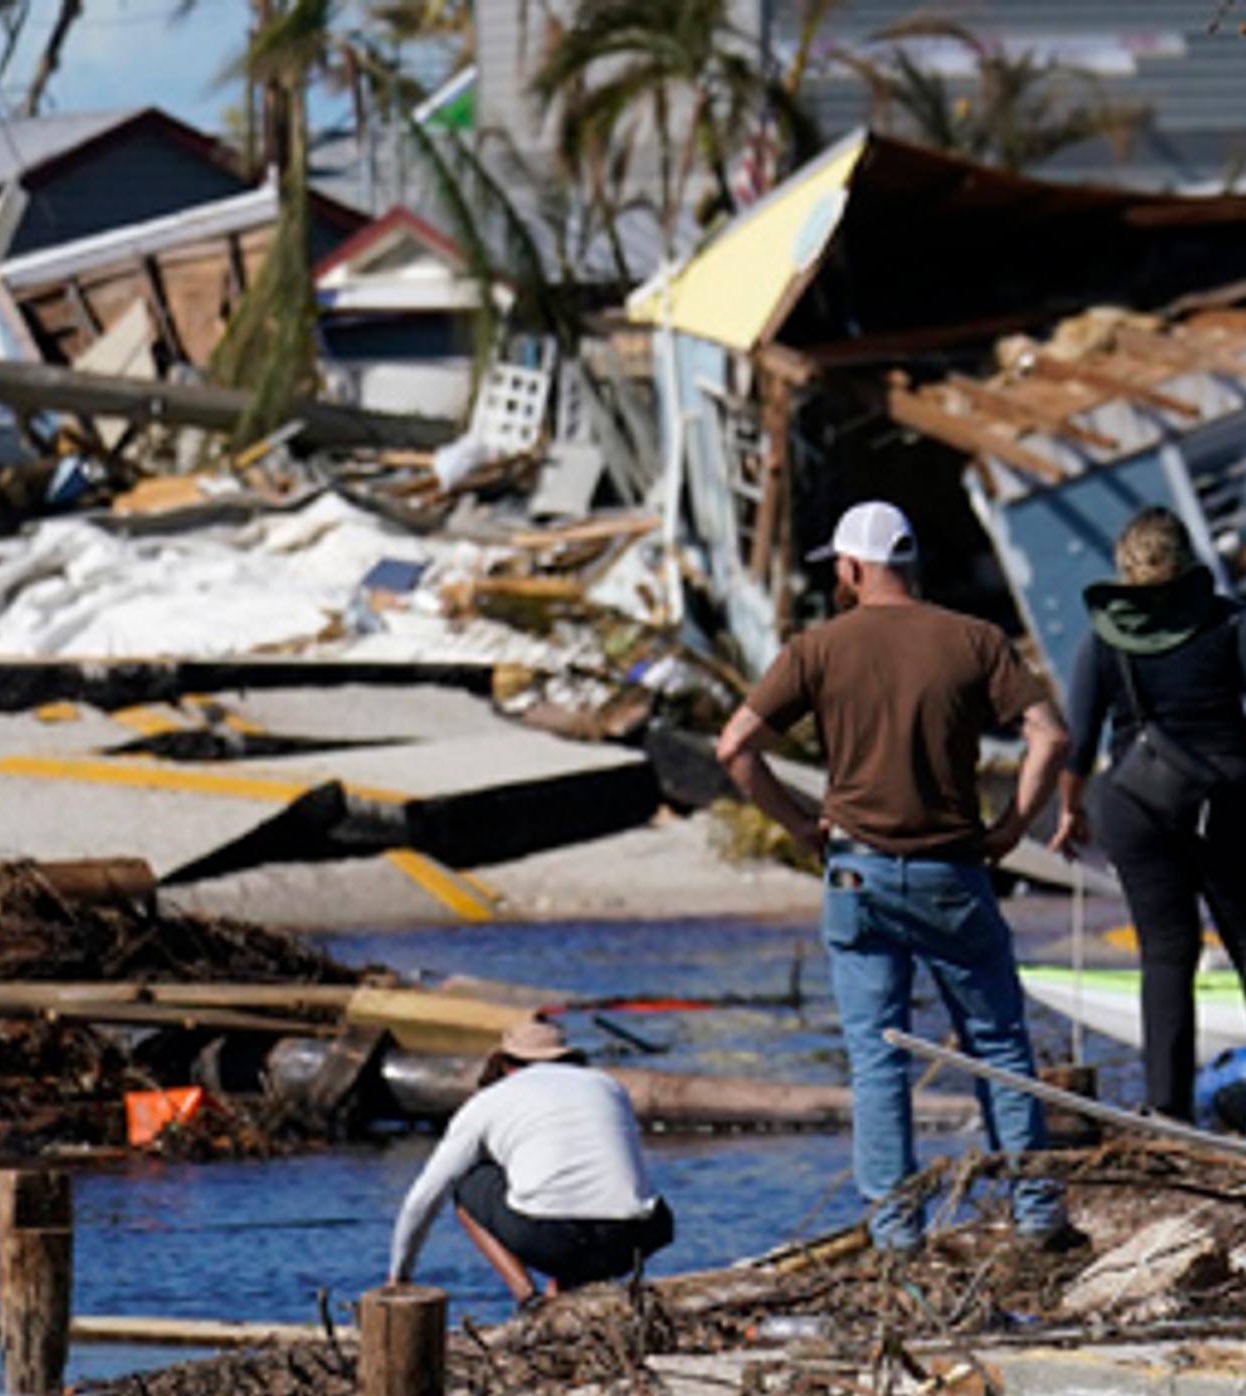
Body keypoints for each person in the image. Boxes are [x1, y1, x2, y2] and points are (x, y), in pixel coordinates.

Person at [717, 500, 1079, 1251]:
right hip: (953, 868)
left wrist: (799, 824)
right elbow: (1049, 736)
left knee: (877, 1056)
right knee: (999, 1042)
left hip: (856, 874)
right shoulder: (974, 639)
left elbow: (735, 749)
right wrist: (1013, 826)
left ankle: (894, 1232)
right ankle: (1037, 1212)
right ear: (910, 565)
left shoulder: (815, 648)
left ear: (850, 569)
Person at [1049, 507, 1246, 1120]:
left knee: (1165, 956)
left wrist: (1069, 810)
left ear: (1125, 571)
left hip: (1134, 806)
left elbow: (1077, 744)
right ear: (1185, 562)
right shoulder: (1233, 622)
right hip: (1227, 800)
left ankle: (1167, 1112)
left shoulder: (1102, 638)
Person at [386, 1021, 673, 1309]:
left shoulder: (488, 1101)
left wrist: (399, 1276)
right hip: (637, 1236)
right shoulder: (609, 1085)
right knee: (584, 1193)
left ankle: (527, 1298)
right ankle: (565, 1290)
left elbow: (423, 1198)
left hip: (556, 1239)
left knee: (466, 1183)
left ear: (506, 1065)